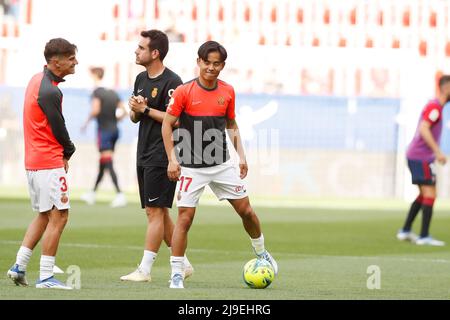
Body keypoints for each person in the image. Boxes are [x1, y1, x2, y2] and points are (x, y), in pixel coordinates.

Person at [162, 40, 278, 289]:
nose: (211, 68)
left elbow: (231, 125)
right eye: (207, 63)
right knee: (185, 218)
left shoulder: (227, 91)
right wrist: (173, 159)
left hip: (221, 164)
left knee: (247, 211)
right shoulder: (184, 91)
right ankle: (176, 273)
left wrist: (242, 156)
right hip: (191, 167)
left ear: (222, 66)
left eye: (217, 64)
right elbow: (166, 124)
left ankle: (261, 252)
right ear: (199, 62)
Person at [120, 29, 193, 282]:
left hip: (163, 153)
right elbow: (134, 118)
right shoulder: (141, 78)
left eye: (141, 48)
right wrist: (136, 110)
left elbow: (177, 120)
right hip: (144, 149)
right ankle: (182, 262)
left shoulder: (173, 82)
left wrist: (146, 108)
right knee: (159, 212)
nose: (136, 51)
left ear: (155, 53)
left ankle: (145, 270)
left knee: (154, 211)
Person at [7, 38, 78, 289]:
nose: (75, 62)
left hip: (34, 162)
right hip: (48, 161)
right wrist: (69, 150)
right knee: (60, 216)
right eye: (71, 58)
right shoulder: (50, 90)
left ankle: (19, 266)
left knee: (45, 216)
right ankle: (46, 277)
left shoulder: (36, 80)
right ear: (56, 61)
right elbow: (58, 126)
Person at [397, 75, 450, 246]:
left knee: (423, 194)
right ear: (446, 88)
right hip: (421, 157)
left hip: (416, 155)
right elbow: (424, 128)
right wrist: (438, 151)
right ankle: (424, 235)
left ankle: (405, 230)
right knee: (430, 194)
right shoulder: (435, 107)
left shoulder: (436, 107)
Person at [81, 67, 127, 207]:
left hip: (104, 131)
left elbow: (95, 110)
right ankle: (92, 193)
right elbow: (124, 111)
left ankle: (120, 194)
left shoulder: (97, 92)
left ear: (95, 76)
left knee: (107, 162)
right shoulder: (113, 93)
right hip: (115, 131)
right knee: (103, 162)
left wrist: (86, 123)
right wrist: (116, 120)